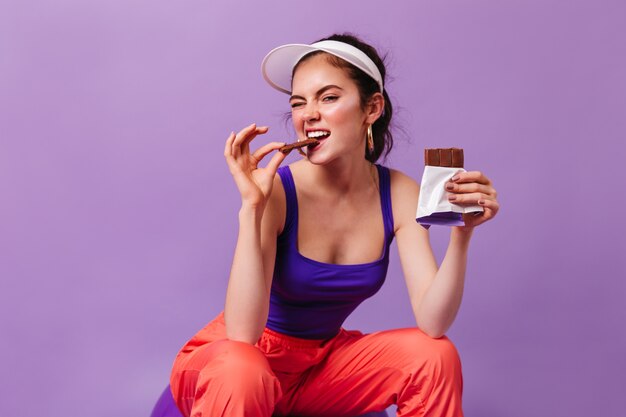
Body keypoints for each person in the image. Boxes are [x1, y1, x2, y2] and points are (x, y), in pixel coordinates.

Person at [169, 33, 499, 417]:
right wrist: (251, 209)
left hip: (319, 369)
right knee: (244, 367)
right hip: (231, 368)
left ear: (372, 107)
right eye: (298, 102)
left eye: (328, 98)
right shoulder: (276, 190)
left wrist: (462, 234)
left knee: (434, 354)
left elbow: (433, 321)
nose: (308, 113)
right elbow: (243, 336)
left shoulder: (399, 194)